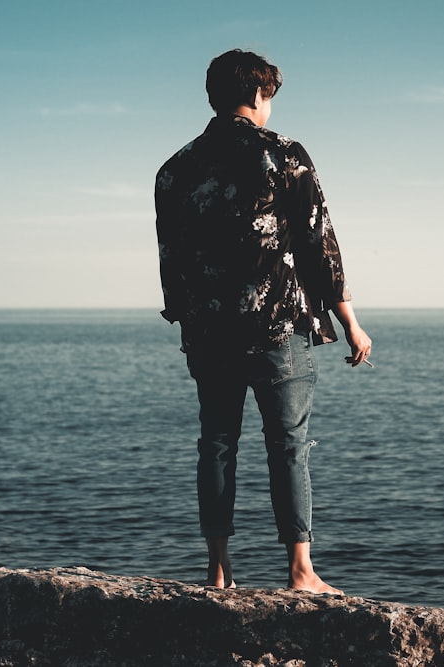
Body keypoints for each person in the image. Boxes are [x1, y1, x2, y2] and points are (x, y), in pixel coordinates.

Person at [154, 49, 371, 595]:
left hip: (208, 332)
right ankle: (301, 572)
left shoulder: (175, 169)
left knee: (218, 443)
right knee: (288, 445)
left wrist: (187, 319)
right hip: (277, 325)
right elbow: (320, 244)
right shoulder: (285, 156)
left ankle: (218, 570)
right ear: (259, 96)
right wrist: (349, 321)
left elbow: (170, 257)